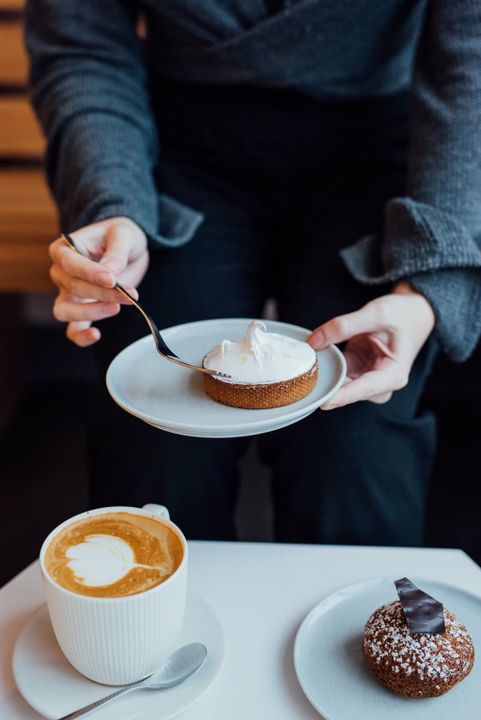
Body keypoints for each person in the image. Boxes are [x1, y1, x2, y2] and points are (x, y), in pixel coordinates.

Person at [25, 1, 481, 546]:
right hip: (175, 157)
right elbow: (83, 43)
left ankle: (358, 627)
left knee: (355, 437)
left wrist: (427, 284)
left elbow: (469, 61)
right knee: (157, 426)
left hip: (374, 160)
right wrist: (111, 201)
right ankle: (150, 625)